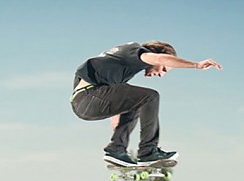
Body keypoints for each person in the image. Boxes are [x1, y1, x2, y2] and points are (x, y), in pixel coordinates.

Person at [71, 41, 221, 167]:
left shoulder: (122, 61)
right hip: (89, 96)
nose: (161, 74)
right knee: (151, 96)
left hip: (87, 101)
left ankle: (116, 149)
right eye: (163, 69)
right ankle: (148, 152)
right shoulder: (135, 51)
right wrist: (196, 65)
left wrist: (118, 120)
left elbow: (112, 87)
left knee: (137, 101)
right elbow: (159, 58)